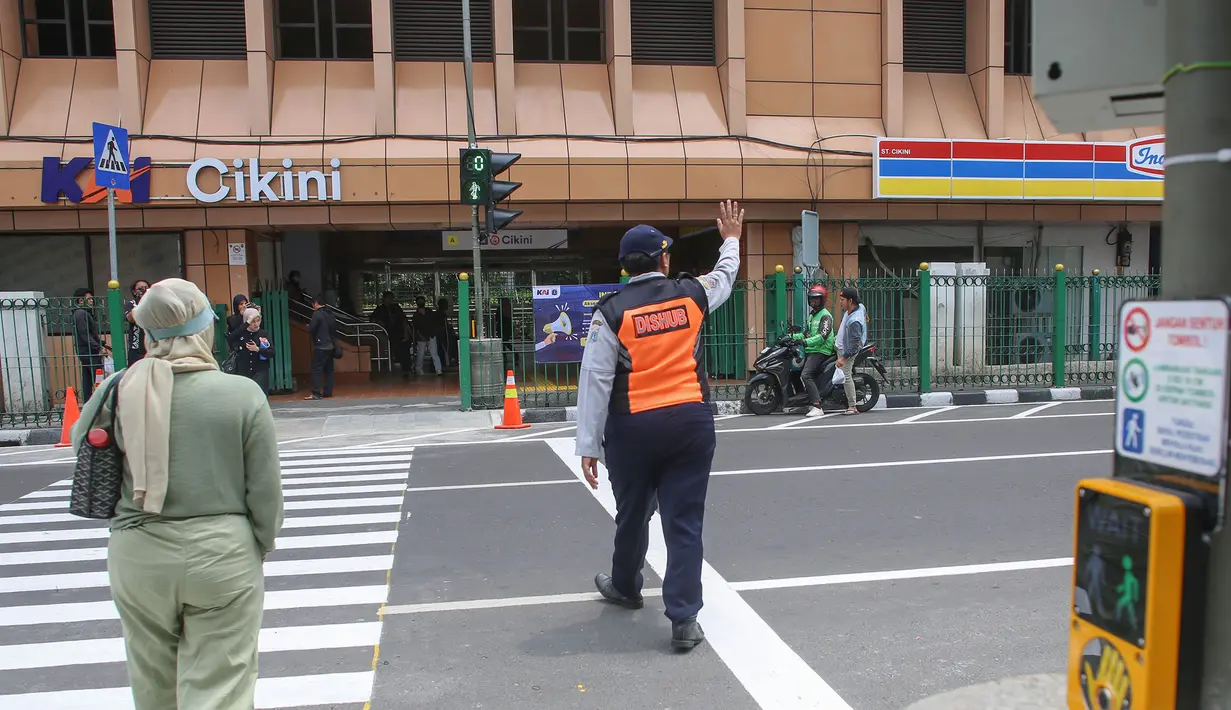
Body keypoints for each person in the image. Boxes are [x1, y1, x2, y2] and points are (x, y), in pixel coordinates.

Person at [71, 278, 282, 710]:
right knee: (222, 685)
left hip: (139, 552)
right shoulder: (242, 395)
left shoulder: (120, 388)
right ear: (206, 329)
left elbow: (80, 443)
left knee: (152, 684)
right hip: (222, 552)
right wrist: (259, 543)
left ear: (147, 333)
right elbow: (265, 491)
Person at [576, 200, 744, 651]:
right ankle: (685, 620)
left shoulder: (610, 313)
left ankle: (626, 586)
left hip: (633, 430)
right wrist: (731, 239)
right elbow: (725, 275)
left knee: (632, 512)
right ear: (664, 259)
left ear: (625, 268)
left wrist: (588, 444)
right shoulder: (692, 294)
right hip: (690, 422)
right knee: (683, 523)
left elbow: (595, 380)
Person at [793, 285, 836, 417]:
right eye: (811, 299)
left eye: (816, 299)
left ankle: (817, 405)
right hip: (812, 349)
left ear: (822, 300)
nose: (813, 301)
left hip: (821, 350)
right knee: (794, 371)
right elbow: (806, 334)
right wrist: (790, 337)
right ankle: (803, 401)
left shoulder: (825, 316)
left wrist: (805, 342)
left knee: (806, 375)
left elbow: (822, 337)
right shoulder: (812, 316)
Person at [834, 287, 867, 415]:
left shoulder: (855, 321)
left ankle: (852, 406)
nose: (840, 302)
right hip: (840, 344)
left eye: (842, 300)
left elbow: (854, 345)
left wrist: (843, 358)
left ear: (850, 300)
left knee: (846, 376)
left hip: (846, 351)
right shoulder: (858, 307)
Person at [71, 288, 106, 401]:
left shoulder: (82, 313)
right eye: (89, 299)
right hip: (88, 351)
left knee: (88, 377)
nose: (92, 301)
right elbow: (84, 334)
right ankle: (99, 401)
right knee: (97, 376)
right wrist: (97, 347)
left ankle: (88, 402)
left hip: (86, 350)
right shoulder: (81, 313)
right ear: (81, 301)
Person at [370, 291, 412, 377]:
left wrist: (406, 333)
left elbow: (404, 320)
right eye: (388, 298)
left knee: (404, 347)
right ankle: (393, 364)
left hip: (399, 332)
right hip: (387, 333)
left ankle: (406, 368)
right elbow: (373, 320)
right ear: (384, 299)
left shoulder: (396, 307)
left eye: (391, 298)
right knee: (393, 347)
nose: (390, 300)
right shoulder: (380, 309)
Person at [236, 308, 276, 395]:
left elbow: (272, 352)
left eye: (258, 321)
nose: (256, 324)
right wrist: (246, 324)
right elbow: (230, 338)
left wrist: (258, 349)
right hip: (244, 370)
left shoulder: (263, 334)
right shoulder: (241, 333)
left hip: (260, 370)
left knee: (261, 395)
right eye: (252, 321)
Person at [307, 296, 337, 399]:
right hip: (330, 345)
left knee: (317, 369)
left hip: (321, 346)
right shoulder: (330, 313)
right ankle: (328, 392)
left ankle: (316, 393)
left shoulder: (317, 314)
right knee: (329, 370)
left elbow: (311, 328)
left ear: (315, 303)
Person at [413, 296, 442, 376]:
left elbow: (434, 322)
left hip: (431, 335)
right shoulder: (416, 315)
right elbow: (416, 328)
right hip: (421, 337)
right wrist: (420, 336)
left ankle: (438, 369)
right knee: (421, 353)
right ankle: (418, 369)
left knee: (434, 353)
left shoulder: (429, 311)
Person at [123, 280, 150, 366]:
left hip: (151, 345)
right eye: (140, 289)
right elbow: (130, 319)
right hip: (136, 347)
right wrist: (141, 304)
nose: (143, 291)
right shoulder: (131, 304)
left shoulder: (152, 303)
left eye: (146, 288)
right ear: (134, 291)